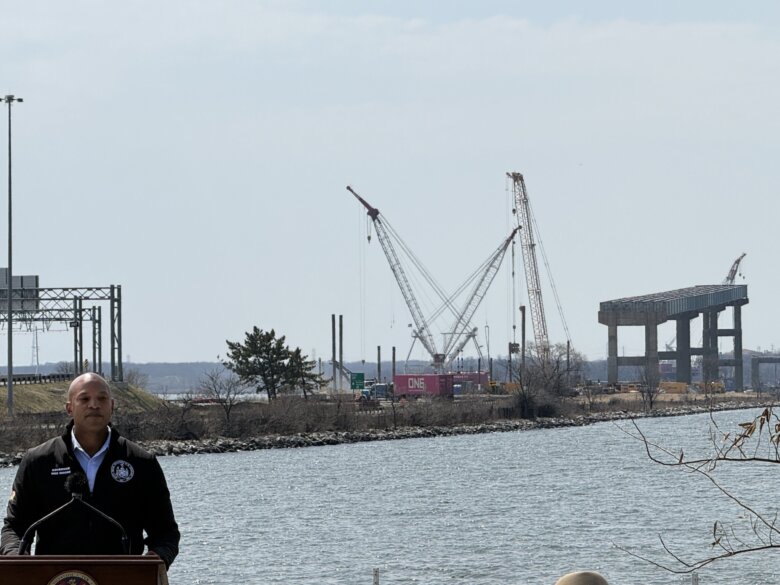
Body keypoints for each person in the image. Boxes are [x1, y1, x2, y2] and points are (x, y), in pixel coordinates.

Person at [0, 373, 180, 569]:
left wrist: (156, 559)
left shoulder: (141, 462)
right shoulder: (37, 461)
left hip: (122, 578)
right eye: (84, 399)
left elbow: (166, 533)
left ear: (112, 405)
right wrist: (18, 559)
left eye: (102, 399)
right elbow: (13, 528)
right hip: (55, 580)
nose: (94, 405)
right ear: (69, 407)